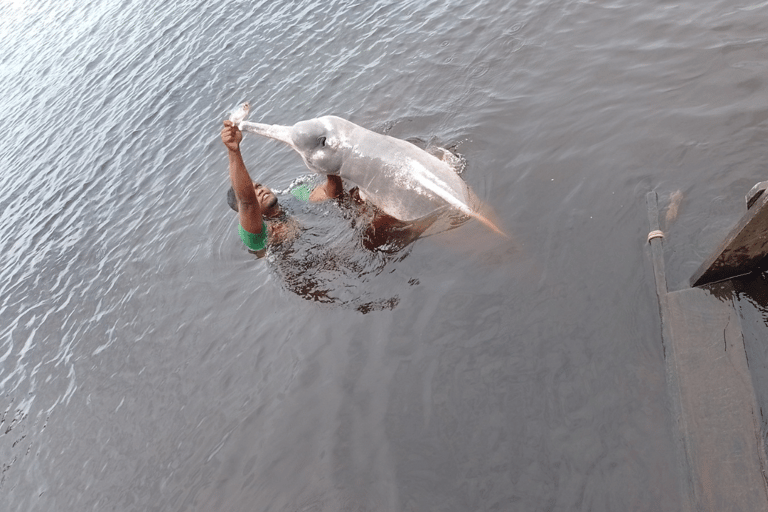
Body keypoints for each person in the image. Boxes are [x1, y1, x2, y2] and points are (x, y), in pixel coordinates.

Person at [221, 120, 345, 254]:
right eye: (253, 192)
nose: (260, 191)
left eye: (258, 186)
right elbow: (247, 201)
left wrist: (326, 160)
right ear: (243, 215)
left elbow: (331, 192)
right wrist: (233, 151)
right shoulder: (256, 237)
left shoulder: (293, 195)